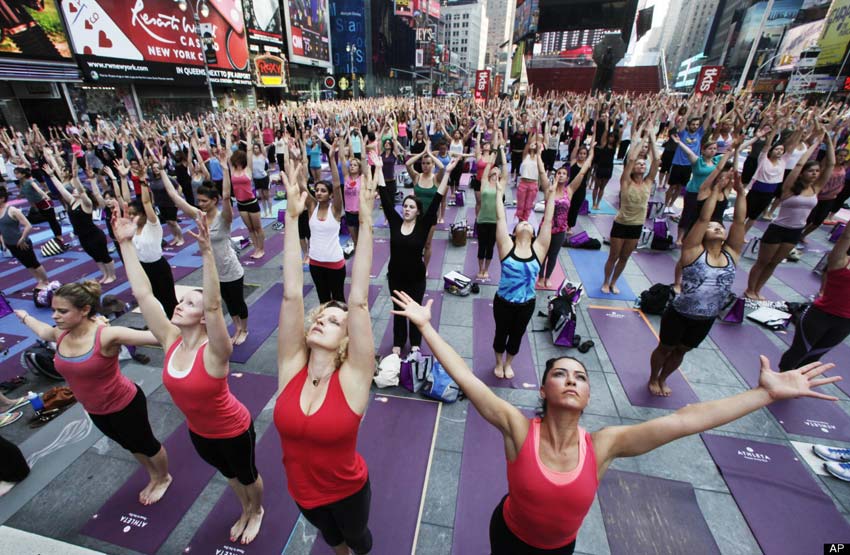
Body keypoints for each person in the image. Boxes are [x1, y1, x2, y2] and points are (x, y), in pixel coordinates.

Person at [389, 291, 840, 555]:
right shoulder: (518, 428)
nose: (570, 379)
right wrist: (427, 327)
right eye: (559, 374)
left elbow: (688, 420)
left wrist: (764, 394)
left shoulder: (604, 445)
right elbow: (466, 378)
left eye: (580, 376)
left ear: (587, 395)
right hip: (507, 538)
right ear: (543, 390)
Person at [115, 209, 265, 545]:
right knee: (228, 476)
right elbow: (144, 295)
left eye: (189, 303)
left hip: (233, 429)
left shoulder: (215, 351)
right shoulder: (169, 339)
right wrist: (126, 243)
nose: (180, 305)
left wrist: (208, 254)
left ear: (202, 319)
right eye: (182, 300)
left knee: (247, 474)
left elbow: (214, 306)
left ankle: (256, 511)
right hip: (199, 433)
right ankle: (243, 508)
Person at [275, 153, 377, 555]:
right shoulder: (290, 366)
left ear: (347, 341)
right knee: (331, 539)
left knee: (358, 541)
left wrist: (366, 222)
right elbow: (290, 294)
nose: (321, 321)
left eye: (335, 322)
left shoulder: (353, 378)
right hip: (301, 491)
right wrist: (289, 219)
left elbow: (360, 302)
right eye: (321, 316)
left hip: (348, 490)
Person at [14, 282, 171, 506]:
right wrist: (24, 316)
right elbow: (41, 330)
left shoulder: (106, 335)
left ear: (85, 310)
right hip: (94, 409)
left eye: (62, 311)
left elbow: (160, 337)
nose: (55, 316)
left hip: (125, 404)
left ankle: (164, 477)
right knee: (129, 444)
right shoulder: (60, 333)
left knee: (147, 444)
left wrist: (154, 305)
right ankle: (153, 475)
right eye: (54, 310)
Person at [648, 174, 748, 396]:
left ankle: (664, 378)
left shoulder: (732, 253)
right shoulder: (693, 251)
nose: (718, 228)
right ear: (702, 234)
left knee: (681, 351)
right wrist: (715, 192)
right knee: (665, 347)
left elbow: (740, 222)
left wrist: (740, 193)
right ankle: (653, 377)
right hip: (680, 312)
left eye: (720, 227)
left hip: (706, 318)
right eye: (712, 227)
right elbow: (703, 219)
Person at [161, 153, 250, 345]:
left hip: (230, 268)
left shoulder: (224, 218)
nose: (200, 204)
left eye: (204, 201)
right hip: (213, 271)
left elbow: (226, 196)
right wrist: (161, 171)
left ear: (214, 200)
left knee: (238, 302)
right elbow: (175, 198)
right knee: (226, 303)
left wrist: (226, 170)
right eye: (199, 200)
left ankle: (244, 329)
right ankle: (236, 327)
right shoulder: (198, 215)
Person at [380, 149, 455, 355]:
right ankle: (398, 341)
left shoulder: (423, 225)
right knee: (399, 312)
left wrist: (446, 173)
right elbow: (385, 199)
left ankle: (414, 342)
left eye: (411, 207)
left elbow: (438, 198)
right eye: (405, 206)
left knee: (414, 310)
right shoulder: (395, 222)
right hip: (395, 276)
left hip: (415, 278)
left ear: (418, 211)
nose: (406, 209)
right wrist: (378, 169)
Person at [491, 143, 556, 380]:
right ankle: (498, 361)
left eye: (529, 223)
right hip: (504, 301)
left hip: (526, 303)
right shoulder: (506, 247)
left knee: (517, 335)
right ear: (515, 230)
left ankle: (509, 362)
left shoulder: (539, 249)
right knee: (501, 333)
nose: (527, 223)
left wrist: (550, 198)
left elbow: (547, 223)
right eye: (522, 223)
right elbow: (500, 217)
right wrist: (499, 193)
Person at [745, 131, 833, 301]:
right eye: (811, 171)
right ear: (802, 174)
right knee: (763, 262)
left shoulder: (816, 188)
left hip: (795, 231)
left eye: (816, 171)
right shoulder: (789, 188)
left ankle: (758, 289)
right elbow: (799, 164)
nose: (814, 173)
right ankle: (750, 289)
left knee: (774, 263)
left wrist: (829, 143)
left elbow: (830, 165)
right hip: (778, 229)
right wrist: (814, 144)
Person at [779, 221, 850, 372]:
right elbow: (846, 236)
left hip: (845, 324)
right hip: (820, 316)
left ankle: (798, 382)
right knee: (798, 351)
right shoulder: (841, 262)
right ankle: (781, 378)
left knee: (814, 357)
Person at [602, 130, 658, 295]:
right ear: (631, 168)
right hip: (621, 223)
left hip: (636, 225)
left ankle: (614, 282)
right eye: (638, 164)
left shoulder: (648, 182)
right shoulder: (626, 181)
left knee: (625, 257)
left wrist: (652, 139)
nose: (641, 165)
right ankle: (605, 281)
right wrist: (644, 138)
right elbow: (632, 158)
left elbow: (656, 161)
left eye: (643, 164)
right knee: (614, 255)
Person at [50, 159, 117, 284]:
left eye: (77, 191)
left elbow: (80, 189)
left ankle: (111, 275)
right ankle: (104, 275)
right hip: (82, 236)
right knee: (96, 257)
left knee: (104, 256)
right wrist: (52, 176)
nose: (74, 191)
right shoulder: (72, 201)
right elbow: (61, 189)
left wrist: (75, 173)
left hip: (94, 235)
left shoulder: (87, 204)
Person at [538, 146, 594, 289]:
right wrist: (538, 154)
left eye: (564, 173)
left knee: (553, 254)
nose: (561, 175)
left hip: (560, 229)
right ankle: (540, 277)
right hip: (545, 228)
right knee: (542, 253)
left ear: (568, 178)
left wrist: (591, 154)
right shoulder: (548, 189)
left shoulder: (569, 191)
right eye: (558, 173)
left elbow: (581, 174)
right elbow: (541, 172)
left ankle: (548, 277)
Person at [126, 183, 178, 320]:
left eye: (134, 214)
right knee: (151, 301)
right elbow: (124, 199)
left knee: (169, 301)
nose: (131, 217)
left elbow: (146, 201)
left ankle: (178, 325)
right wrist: (120, 179)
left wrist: (142, 182)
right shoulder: (131, 229)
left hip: (158, 268)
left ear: (143, 214)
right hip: (142, 269)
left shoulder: (152, 225)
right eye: (129, 214)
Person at [305, 140, 346, 303]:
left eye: (323, 191)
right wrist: (294, 159)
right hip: (315, 262)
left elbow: (336, 185)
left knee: (338, 300)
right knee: (323, 300)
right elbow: (301, 184)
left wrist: (331, 158)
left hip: (334, 262)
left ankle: (343, 328)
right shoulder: (311, 207)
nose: (319, 193)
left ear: (330, 195)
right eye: (317, 190)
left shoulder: (335, 210)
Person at [0, 185, 50, 290]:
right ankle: (39, 282)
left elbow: (28, 225)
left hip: (22, 243)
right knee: (27, 264)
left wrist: (22, 238)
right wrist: (4, 243)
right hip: (10, 244)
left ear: (2, 198)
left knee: (34, 263)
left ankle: (46, 282)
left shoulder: (13, 210)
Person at [406, 141, 445, 266]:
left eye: (428, 163)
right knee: (415, 243)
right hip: (416, 216)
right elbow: (408, 164)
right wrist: (423, 153)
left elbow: (443, 167)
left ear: (433, 165)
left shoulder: (436, 178)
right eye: (423, 163)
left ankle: (425, 267)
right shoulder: (417, 177)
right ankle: (414, 264)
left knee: (427, 244)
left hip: (430, 216)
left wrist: (431, 155)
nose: (425, 166)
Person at [231, 127, 265, 259]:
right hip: (240, 203)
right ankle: (256, 248)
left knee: (258, 228)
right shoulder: (233, 170)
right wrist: (228, 134)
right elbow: (228, 151)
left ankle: (261, 248)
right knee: (250, 229)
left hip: (251, 202)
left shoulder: (248, 169)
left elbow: (250, 151)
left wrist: (249, 136)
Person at [802, 147, 848, 240]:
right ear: (835, 155)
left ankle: (803, 235)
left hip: (830, 198)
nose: (842, 158)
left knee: (818, 221)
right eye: (840, 155)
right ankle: (797, 234)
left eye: (844, 156)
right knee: (809, 219)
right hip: (818, 196)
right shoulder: (827, 166)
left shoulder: (844, 167)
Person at [14, 166, 64, 250]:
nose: (16, 176)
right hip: (37, 205)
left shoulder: (30, 182)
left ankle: (59, 237)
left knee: (52, 221)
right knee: (47, 219)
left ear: (23, 174)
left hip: (44, 202)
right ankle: (57, 231)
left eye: (17, 174)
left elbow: (39, 190)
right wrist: (19, 196)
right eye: (15, 174)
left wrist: (46, 196)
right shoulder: (21, 184)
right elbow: (25, 195)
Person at [515, 135, 542, 222]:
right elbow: (528, 144)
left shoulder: (538, 157)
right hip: (523, 183)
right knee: (521, 205)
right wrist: (533, 132)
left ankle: (525, 221)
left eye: (535, 144)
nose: (533, 145)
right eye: (532, 144)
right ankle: (519, 221)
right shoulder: (525, 155)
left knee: (528, 205)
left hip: (533, 184)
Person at [251, 141, 272, 218]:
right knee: (261, 196)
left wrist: (260, 133)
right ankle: (265, 211)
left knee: (267, 195)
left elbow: (263, 147)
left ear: (260, 149)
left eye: (257, 148)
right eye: (254, 148)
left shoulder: (263, 156)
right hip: (256, 178)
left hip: (264, 177)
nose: (255, 149)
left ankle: (270, 211)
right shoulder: (251, 157)